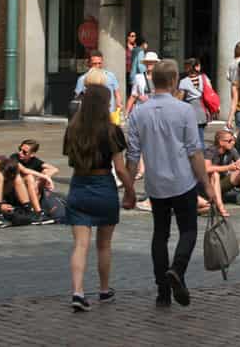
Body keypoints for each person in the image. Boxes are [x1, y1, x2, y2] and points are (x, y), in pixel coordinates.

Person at [126, 59, 213, 308]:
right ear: (175, 80)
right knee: (188, 230)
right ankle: (177, 269)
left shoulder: (138, 112)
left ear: (154, 80)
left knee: (160, 235)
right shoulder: (184, 110)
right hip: (182, 181)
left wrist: (130, 189)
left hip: (156, 184)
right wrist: (206, 184)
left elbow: (132, 155)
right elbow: (194, 152)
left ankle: (163, 292)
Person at [63, 85, 135, 312]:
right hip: (104, 186)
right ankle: (104, 290)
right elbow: (121, 169)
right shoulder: (112, 131)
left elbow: (69, 158)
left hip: (79, 185)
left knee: (80, 245)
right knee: (104, 245)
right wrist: (130, 191)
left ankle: (77, 291)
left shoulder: (72, 129)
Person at [204, 129, 240, 217]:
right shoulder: (210, 151)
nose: (233, 142)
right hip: (208, 185)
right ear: (220, 142)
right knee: (215, 174)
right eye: (229, 141)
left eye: (233, 140)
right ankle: (220, 207)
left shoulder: (231, 150)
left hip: (222, 183)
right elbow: (206, 168)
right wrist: (228, 167)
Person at [74, 50, 123, 117]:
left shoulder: (110, 76)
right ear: (89, 63)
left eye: (99, 63)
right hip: (91, 116)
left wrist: (119, 106)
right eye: (94, 63)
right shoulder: (83, 79)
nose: (97, 66)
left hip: (109, 114)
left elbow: (117, 93)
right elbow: (77, 99)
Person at [178, 58, 212, 150]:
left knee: (194, 136)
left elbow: (180, 98)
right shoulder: (204, 78)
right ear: (197, 67)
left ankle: (201, 157)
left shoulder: (184, 81)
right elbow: (209, 92)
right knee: (200, 134)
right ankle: (202, 155)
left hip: (191, 108)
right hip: (203, 108)